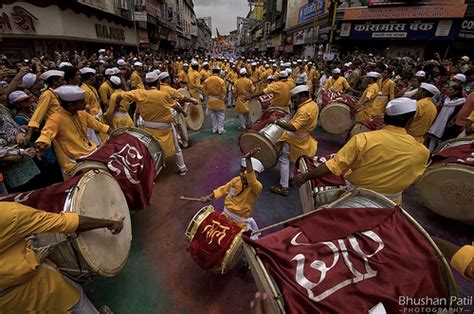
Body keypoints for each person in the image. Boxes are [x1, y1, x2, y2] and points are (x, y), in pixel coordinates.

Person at [294, 97, 430, 205]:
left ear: (384, 117)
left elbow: (332, 166)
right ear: (411, 121)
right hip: (391, 206)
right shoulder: (422, 152)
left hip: (356, 200)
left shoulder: (363, 139)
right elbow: (412, 180)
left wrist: (305, 176)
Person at [0, 201, 124, 312]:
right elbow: (65, 223)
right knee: (76, 301)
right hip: (32, 287)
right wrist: (111, 223)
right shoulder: (8, 214)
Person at [116, 72, 188, 176]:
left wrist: (118, 105)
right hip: (165, 127)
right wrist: (183, 112)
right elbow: (175, 106)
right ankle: (182, 168)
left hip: (148, 127)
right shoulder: (163, 95)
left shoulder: (139, 93)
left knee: (150, 151)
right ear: (158, 82)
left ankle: (152, 174)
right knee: (176, 148)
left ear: (146, 84)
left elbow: (119, 96)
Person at [35, 85, 111, 174]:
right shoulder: (56, 118)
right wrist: (42, 143)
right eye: (81, 102)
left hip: (92, 152)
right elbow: (46, 134)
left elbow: (100, 126)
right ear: (71, 105)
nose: (85, 103)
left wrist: (117, 132)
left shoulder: (82, 114)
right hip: (76, 161)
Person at [269, 85, 319, 196]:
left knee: (284, 159)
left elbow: (293, 127)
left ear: (303, 95)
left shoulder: (304, 110)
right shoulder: (313, 104)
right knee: (291, 158)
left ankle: (283, 186)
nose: (294, 101)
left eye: (296, 98)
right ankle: (290, 177)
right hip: (302, 137)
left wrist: (275, 122)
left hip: (294, 138)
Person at [199, 147, 263, 232]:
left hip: (239, 222)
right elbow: (223, 189)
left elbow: (251, 179)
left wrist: (248, 159)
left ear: (256, 175)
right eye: (241, 170)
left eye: (245, 172)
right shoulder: (236, 180)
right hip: (225, 215)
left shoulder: (257, 187)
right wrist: (208, 197)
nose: (241, 174)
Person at [427, 84, 466, 150]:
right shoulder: (446, 99)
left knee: (441, 141)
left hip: (447, 123)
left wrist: (452, 120)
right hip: (438, 122)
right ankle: (429, 153)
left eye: (450, 89)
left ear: (456, 92)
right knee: (433, 138)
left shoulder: (461, 102)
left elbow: (459, 113)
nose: (447, 91)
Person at [203, 66, 227, 134]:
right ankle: (220, 129)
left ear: (212, 71)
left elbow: (204, 89)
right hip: (219, 100)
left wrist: (209, 94)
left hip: (211, 100)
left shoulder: (207, 80)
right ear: (219, 72)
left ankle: (214, 129)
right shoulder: (221, 80)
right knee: (220, 115)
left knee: (213, 116)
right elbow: (224, 91)